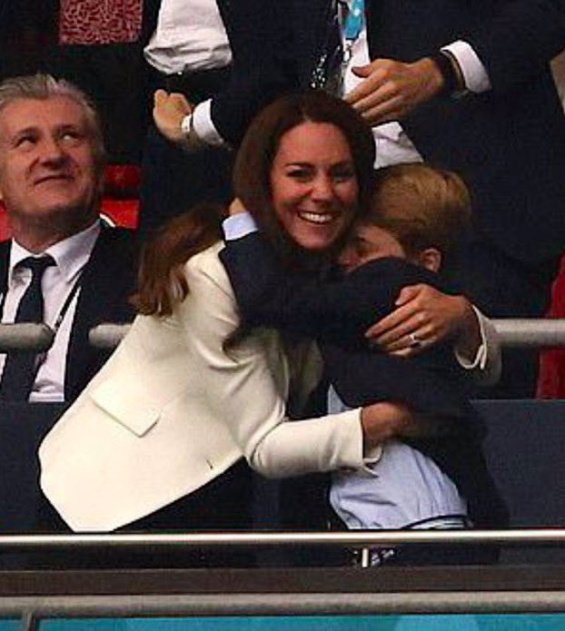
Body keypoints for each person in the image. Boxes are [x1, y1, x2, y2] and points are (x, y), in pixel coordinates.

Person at [39, 91, 499, 564]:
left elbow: (480, 369)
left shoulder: (343, 264)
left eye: (340, 174)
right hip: (114, 505)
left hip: (219, 495)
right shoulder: (212, 272)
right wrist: (392, 420)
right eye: (300, 173)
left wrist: (461, 318)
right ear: (263, 182)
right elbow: (268, 446)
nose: (323, 191)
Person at [221, 161, 507, 564]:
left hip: (420, 533)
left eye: (363, 248)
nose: (345, 260)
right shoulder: (370, 298)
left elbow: (276, 300)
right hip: (382, 539)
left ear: (426, 263)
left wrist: (244, 227)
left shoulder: (394, 286)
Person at [0, 73, 138, 403]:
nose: (52, 155)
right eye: (27, 141)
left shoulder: (158, 269)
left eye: (70, 136)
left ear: (102, 167)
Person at [138, 0, 296, 236]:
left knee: (238, 250)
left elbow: (278, 64)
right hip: (161, 100)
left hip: (246, 110)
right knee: (161, 256)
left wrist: (196, 125)